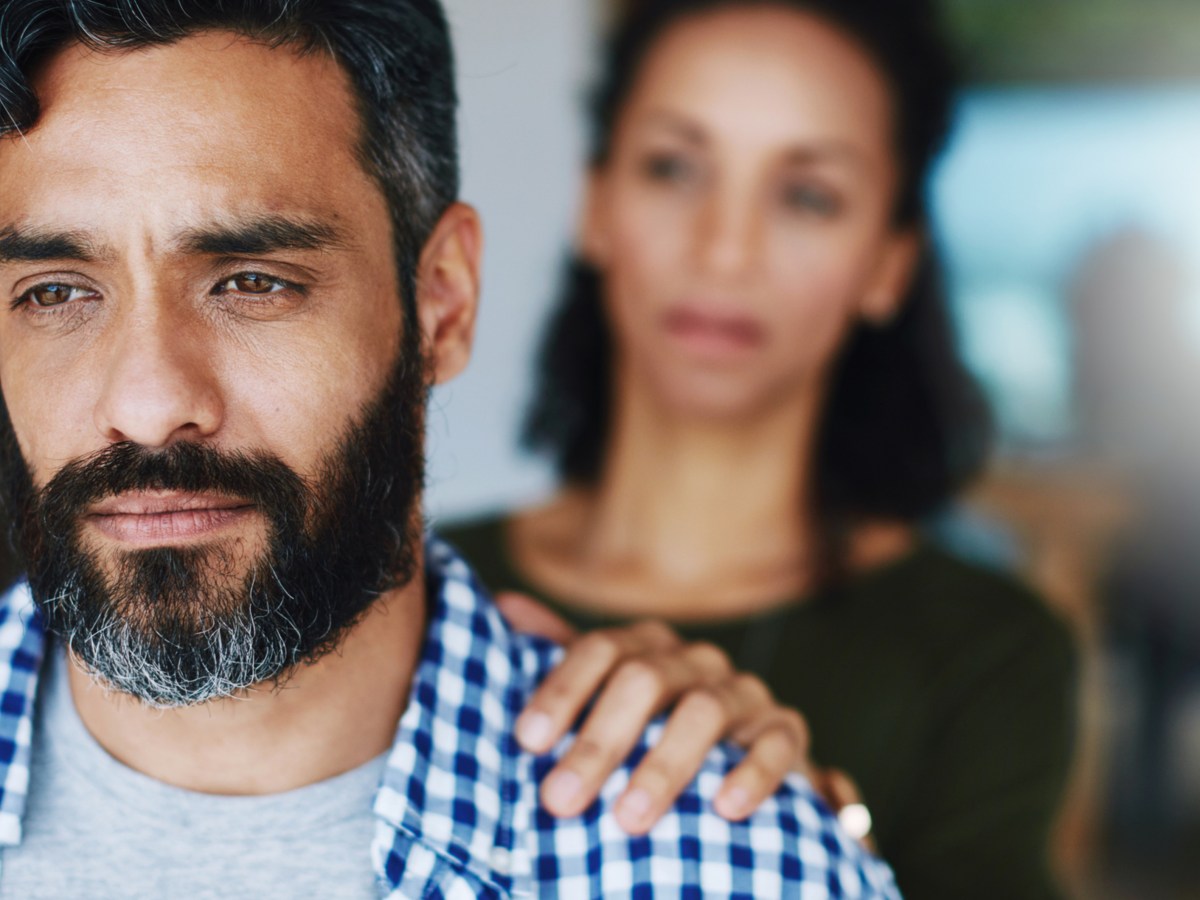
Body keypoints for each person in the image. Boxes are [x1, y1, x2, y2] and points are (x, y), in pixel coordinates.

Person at [0, 0, 900, 896]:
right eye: (54, 293)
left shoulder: (731, 868)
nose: (150, 405)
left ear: (442, 302)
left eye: (253, 282)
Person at [443, 0, 1079, 896]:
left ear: (889, 264)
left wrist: (810, 826)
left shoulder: (987, 653)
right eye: (673, 167)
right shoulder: (415, 586)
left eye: (807, 195)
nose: (724, 249)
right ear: (596, 205)